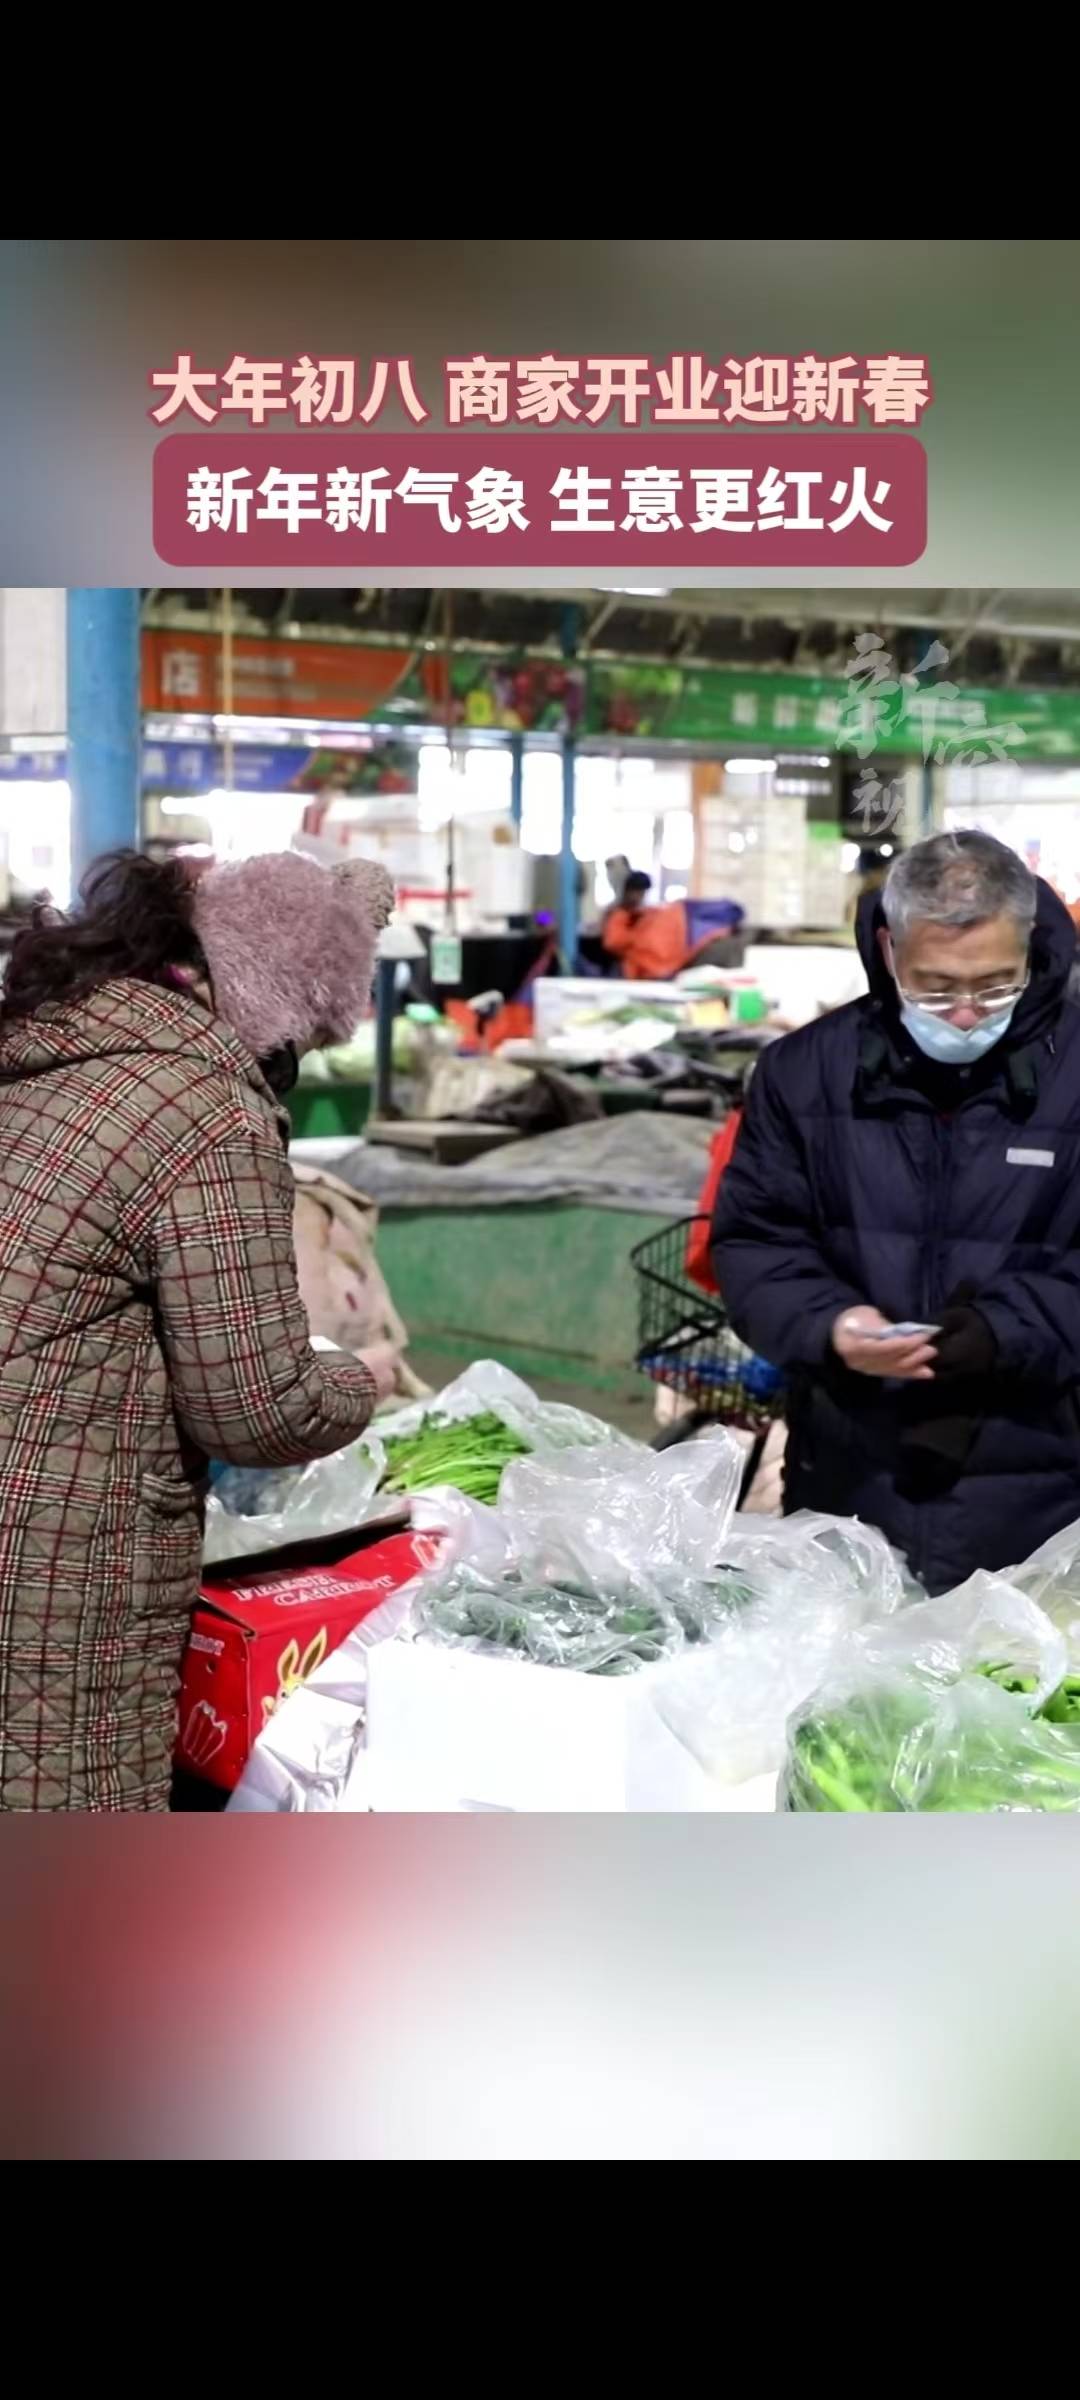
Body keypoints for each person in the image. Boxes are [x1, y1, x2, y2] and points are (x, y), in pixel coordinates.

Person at [0, 846, 397, 1811]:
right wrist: (355, 1377)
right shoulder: (204, 1108)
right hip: (63, 1550)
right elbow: (256, 1410)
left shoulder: (54, 1053)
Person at [712, 829, 1080, 1595]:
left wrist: (1002, 1332)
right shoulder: (805, 1072)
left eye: (998, 984)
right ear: (888, 950)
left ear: (1032, 944)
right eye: (937, 988)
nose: (970, 1012)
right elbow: (754, 1240)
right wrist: (831, 1324)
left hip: (1044, 1486)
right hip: (849, 1474)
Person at [601, 871, 688, 982]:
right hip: (621, 969)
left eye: (642, 893)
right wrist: (638, 933)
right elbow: (612, 942)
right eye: (637, 892)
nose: (640, 897)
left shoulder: (642, 913)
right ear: (628, 891)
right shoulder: (619, 914)